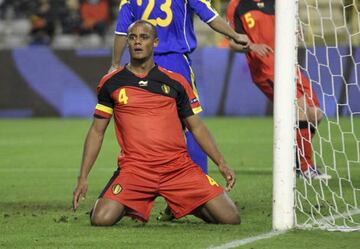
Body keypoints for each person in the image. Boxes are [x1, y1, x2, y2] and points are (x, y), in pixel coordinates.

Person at [72, 20, 240, 225]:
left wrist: (221, 163)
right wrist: (83, 177)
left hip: (178, 168)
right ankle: (126, 201)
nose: (137, 42)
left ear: (156, 43)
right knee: (101, 219)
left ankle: (186, 205)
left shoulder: (176, 82)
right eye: (132, 37)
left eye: (144, 37)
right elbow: (97, 132)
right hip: (136, 169)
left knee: (230, 218)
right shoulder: (111, 83)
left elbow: (196, 127)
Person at [108, 0, 250, 174]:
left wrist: (115, 64)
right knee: (191, 123)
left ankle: (135, 179)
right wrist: (235, 35)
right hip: (176, 62)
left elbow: (122, 30)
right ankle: (199, 183)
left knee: (140, 124)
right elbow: (207, 14)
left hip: (143, 65)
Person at [226, 0, 331, 180]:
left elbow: (291, 29)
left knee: (315, 114)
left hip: (290, 66)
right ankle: (305, 168)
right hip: (266, 70)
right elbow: (232, 43)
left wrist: (297, 31)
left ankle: (295, 158)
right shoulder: (237, 5)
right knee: (300, 110)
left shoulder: (279, 2)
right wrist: (251, 46)